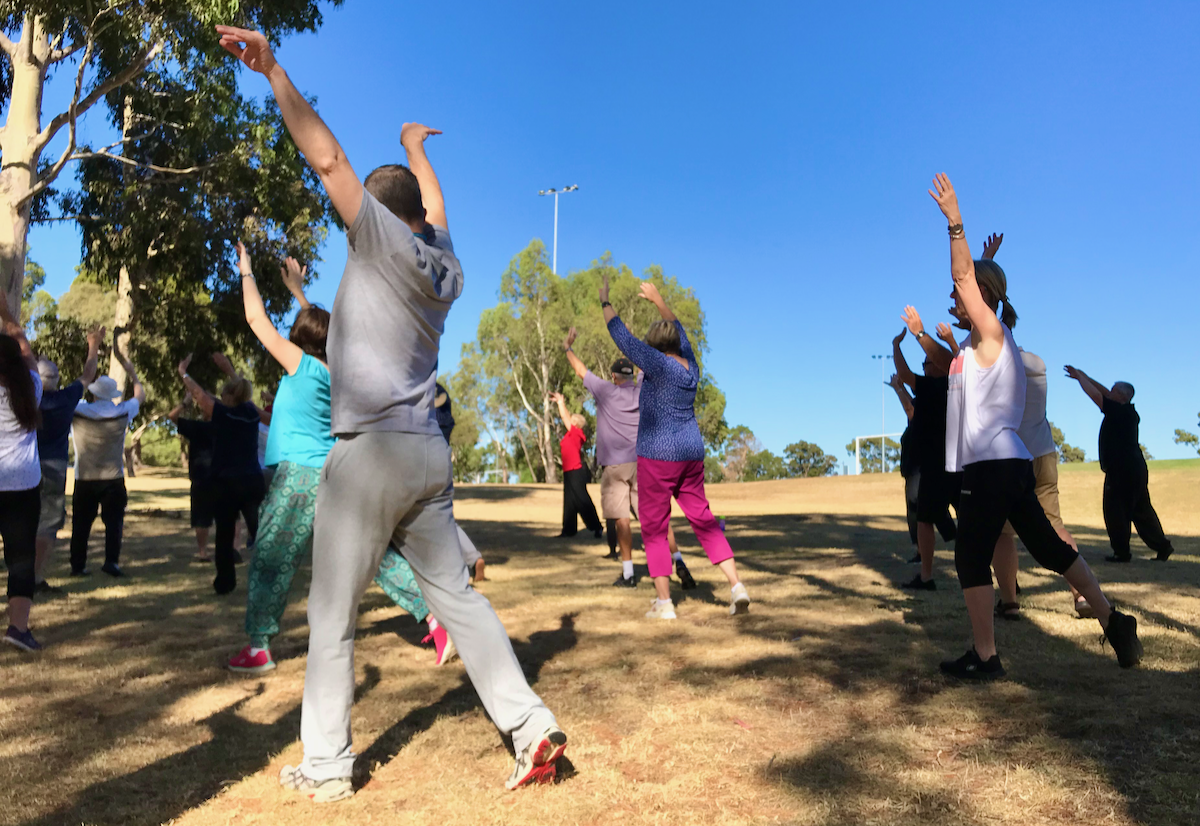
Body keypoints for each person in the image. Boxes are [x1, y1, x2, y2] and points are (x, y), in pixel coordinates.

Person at [217, 25, 566, 797]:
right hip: (425, 456)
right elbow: (432, 208)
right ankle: (531, 725)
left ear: (375, 216)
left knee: (332, 611)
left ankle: (328, 765)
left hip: (369, 452)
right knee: (461, 602)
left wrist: (274, 71)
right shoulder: (445, 263)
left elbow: (329, 160)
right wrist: (417, 151)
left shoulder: (374, 239)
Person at [926, 172, 1141, 679]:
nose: (952, 298)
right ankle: (1114, 621)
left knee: (970, 557)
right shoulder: (980, 343)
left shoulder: (992, 333)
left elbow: (966, 281)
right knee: (1047, 548)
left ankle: (986, 656)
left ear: (981, 295)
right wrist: (987, 260)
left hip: (994, 466)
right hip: (1010, 465)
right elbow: (969, 296)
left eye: (963, 294)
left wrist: (955, 223)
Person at [223, 244, 457, 673]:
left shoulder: (301, 366)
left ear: (300, 340)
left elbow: (257, 321)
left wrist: (246, 271)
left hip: (297, 477)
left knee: (272, 559)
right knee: (377, 557)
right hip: (336, 475)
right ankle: (438, 618)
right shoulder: (342, 373)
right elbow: (328, 334)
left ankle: (258, 647)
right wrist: (299, 294)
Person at [602, 276, 748, 620]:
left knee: (653, 526)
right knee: (705, 520)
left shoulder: (656, 364)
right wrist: (658, 300)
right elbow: (681, 330)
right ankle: (736, 586)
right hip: (691, 453)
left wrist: (605, 301)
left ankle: (664, 603)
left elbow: (620, 335)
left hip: (658, 454)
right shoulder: (691, 366)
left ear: (654, 346)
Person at [562, 328, 686, 588]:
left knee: (621, 519)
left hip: (615, 465)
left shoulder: (605, 391)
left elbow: (581, 371)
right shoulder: (642, 388)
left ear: (612, 376)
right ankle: (679, 560)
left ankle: (629, 573)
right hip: (643, 462)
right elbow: (648, 363)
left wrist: (568, 348)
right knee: (657, 516)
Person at [1065, 366, 1174, 563]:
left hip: (1121, 470)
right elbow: (1103, 392)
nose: (1110, 391)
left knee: (1115, 510)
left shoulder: (1119, 412)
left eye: (1114, 390)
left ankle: (1121, 552)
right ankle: (1162, 546)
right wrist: (1085, 375)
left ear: (1122, 396)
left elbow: (1096, 396)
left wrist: (1081, 378)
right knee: (1141, 510)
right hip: (1135, 468)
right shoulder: (1127, 411)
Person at [177, 354, 263, 595]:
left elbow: (199, 395)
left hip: (227, 484)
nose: (220, 397)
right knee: (260, 530)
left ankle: (225, 582)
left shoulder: (225, 414)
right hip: (252, 480)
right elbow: (243, 392)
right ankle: (270, 575)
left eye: (224, 394)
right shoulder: (250, 413)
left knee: (224, 536)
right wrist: (230, 371)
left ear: (228, 397)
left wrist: (183, 373)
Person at [33, 326, 103, 593]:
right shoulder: (65, 399)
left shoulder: (23, 400)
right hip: (54, 468)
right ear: (57, 379)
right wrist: (93, 346)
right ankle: (36, 578)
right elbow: (88, 374)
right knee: (48, 523)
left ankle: (20, 573)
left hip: (20, 466)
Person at [69, 344, 144, 578]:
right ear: (112, 395)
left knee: (81, 525)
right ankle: (111, 561)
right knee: (114, 524)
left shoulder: (79, 410)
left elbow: (70, 395)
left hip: (85, 477)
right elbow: (140, 396)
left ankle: (78, 565)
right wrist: (132, 372)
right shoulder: (122, 412)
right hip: (113, 477)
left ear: (92, 392)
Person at [891, 327, 958, 589]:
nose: (925, 366)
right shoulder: (954, 387)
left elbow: (907, 376)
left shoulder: (937, 387)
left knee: (925, 519)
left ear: (941, 366)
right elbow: (911, 407)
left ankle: (927, 575)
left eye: (928, 362)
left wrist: (896, 346)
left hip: (935, 464)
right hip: (958, 462)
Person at [0, 313, 45, 651]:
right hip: (23, 486)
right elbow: (27, 353)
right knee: (20, 558)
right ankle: (18, 629)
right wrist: (7, 315)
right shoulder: (31, 391)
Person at [433, 382, 485, 582]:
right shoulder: (442, 396)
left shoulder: (416, 388)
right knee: (444, 517)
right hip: (443, 456)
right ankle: (472, 557)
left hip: (424, 456)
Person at [548, 391, 603, 540]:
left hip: (576, 471)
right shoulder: (570, 434)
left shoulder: (577, 433)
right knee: (570, 502)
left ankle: (597, 527)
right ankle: (569, 530)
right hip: (568, 471)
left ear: (576, 423)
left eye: (572, 419)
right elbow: (566, 418)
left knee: (582, 500)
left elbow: (565, 417)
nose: (568, 419)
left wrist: (560, 402)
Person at [169, 396, 217, 562]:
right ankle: (231, 549)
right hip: (221, 477)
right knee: (228, 516)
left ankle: (203, 551)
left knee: (201, 518)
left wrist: (185, 402)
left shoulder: (198, 428)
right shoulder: (225, 428)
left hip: (200, 477)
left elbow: (172, 416)